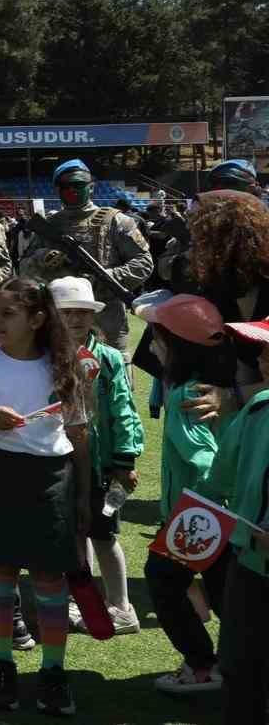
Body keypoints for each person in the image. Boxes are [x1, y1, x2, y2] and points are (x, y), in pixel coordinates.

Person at [0, 278, 90, 716]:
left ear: (36, 319)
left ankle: (53, 672)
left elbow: (78, 433)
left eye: (7, 314)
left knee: (50, 580)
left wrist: (85, 496)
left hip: (52, 478)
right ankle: (2, 665)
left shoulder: (62, 364)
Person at [137, 294, 230, 696]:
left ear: (172, 345)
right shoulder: (220, 388)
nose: (152, 346)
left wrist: (201, 510)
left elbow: (205, 465)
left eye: (155, 337)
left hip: (200, 515)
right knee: (228, 593)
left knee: (163, 581)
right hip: (220, 514)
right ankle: (240, 661)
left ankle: (202, 666)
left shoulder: (185, 397)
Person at [49, 277, 143, 636]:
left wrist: (124, 460)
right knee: (73, 533)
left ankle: (121, 605)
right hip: (58, 462)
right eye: (66, 312)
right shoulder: (44, 357)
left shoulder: (108, 357)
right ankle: (79, 597)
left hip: (101, 464)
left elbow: (123, 408)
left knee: (104, 534)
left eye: (82, 313)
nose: (75, 319)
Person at [200, 315, 269, 724]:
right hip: (249, 567)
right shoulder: (258, 410)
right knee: (240, 668)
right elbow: (218, 481)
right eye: (261, 349)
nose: (262, 359)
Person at [20, 159, 152, 352]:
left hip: (107, 319)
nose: (72, 190)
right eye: (65, 186)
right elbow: (23, 268)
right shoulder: (48, 226)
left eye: (78, 185)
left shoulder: (117, 221)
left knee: (113, 373)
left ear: (91, 187)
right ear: (57, 189)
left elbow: (144, 263)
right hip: (58, 319)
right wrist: (42, 257)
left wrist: (107, 277)